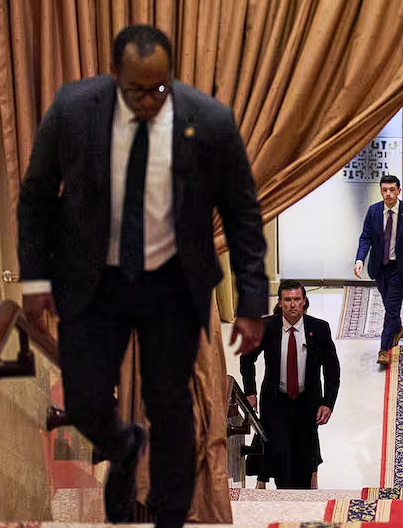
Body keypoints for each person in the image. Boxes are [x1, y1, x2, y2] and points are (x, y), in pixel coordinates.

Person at [16, 25, 267, 527]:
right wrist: (36, 282)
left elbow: (241, 213)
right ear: (115, 77)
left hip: (171, 285)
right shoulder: (72, 111)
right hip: (97, 281)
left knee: (171, 407)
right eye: (138, 90)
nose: (150, 101)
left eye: (160, 89)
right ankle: (124, 445)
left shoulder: (209, 120)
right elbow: (37, 197)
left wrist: (251, 302)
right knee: (85, 399)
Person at [240, 279, 341, 489]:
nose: (292, 304)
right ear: (280, 302)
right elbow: (246, 358)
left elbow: (332, 369)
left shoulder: (319, 328)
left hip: (307, 401)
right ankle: (282, 493)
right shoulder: (266, 327)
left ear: (304, 301)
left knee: (304, 452)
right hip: (276, 400)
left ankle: (303, 493)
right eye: (287, 300)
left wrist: (327, 403)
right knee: (280, 449)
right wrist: (249, 392)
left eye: (296, 299)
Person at [354, 174, 403, 365]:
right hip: (379, 267)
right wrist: (360, 259)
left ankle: (384, 349)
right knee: (389, 305)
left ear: (399, 191)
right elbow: (365, 237)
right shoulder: (373, 211)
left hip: (399, 268)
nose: (388, 194)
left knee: (392, 307)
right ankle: (398, 328)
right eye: (384, 190)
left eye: (392, 190)